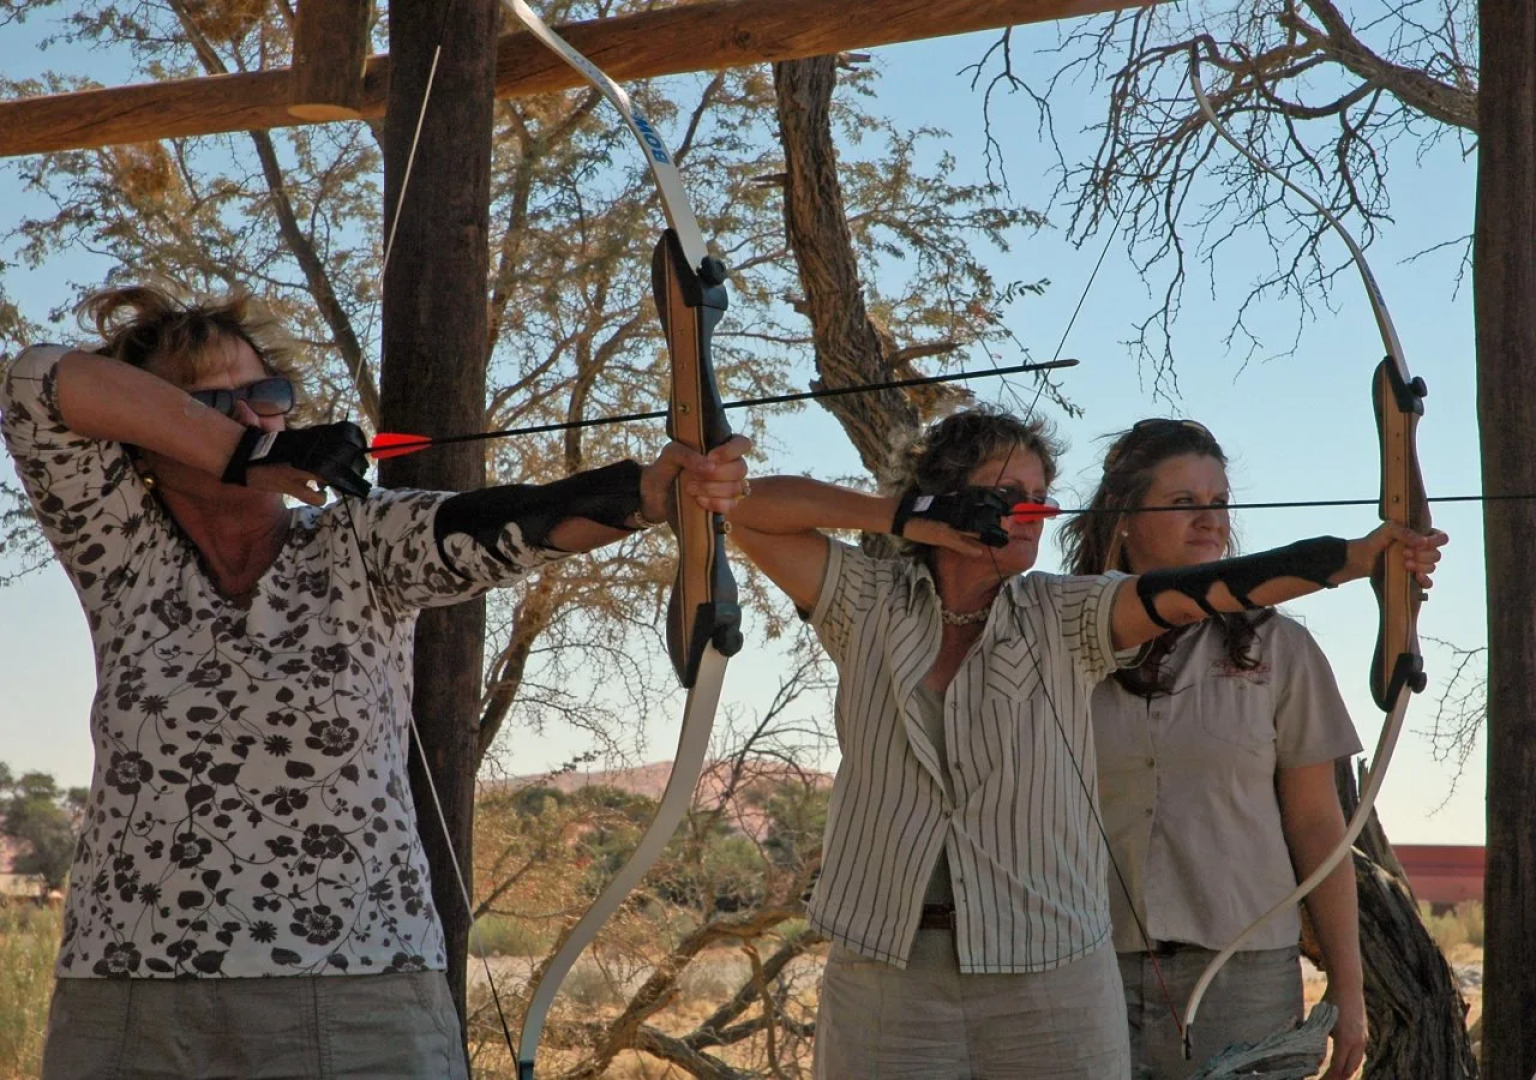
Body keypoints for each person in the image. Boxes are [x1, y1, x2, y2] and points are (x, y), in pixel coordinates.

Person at [0, 284, 750, 1080]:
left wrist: (645, 495)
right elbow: (33, 380)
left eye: (267, 397)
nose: (253, 417)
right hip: (130, 993)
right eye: (212, 404)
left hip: (361, 990)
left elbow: (506, 522)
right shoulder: (120, 550)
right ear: (145, 437)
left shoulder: (359, 540)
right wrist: (241, 456)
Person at [723, 406, 1442, 1080]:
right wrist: (916, 519)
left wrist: (1350, 559)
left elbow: (1207, 590)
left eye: (1042, 493)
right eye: (1009, 493)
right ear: (944, 497)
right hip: (883, 964)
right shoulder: (866, 601)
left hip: (1048, 967)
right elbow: (745, 508)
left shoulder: (1065, 612)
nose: (1034, 508)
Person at [1061, 418, 1369, 1079]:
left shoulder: (1280, 649)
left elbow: (1319, 825)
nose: (1209, 522)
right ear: (1123, 518)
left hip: (1244, 977)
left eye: (1219, 503)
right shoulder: (1060, 642)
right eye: (1182, 504)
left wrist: (1350, 989)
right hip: (1082, 967)